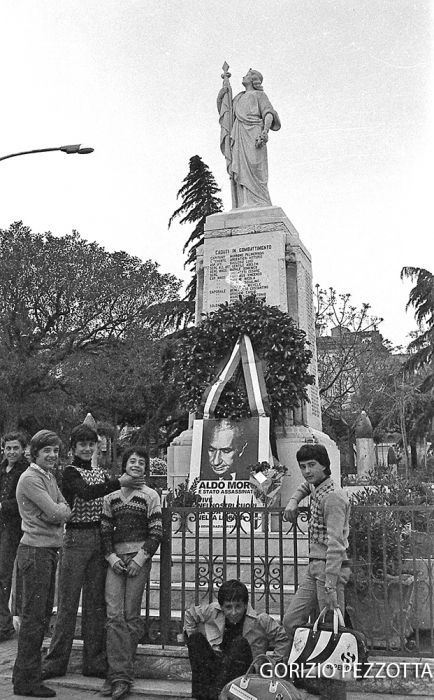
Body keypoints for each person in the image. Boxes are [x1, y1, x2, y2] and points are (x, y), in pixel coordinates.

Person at [42, 424, 145, 681]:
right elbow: (86, 495)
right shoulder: (69, 473)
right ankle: (55, 662)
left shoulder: (100, 473)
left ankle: (94, 661)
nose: (87, 449)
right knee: (67, 604)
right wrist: (118, 482)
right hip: (76, 538)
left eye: (91, 444)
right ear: (73, 448)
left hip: (98, 539)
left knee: (94, 605)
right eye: (82, 445)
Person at [99, 446, 163, 700]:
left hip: (138, 559)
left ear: (146, 468)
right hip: (116, 560)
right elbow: (104, 531)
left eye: (141, 462)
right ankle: (117, 675)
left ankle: (121, 677)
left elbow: (156, 531)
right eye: (132, 461)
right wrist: (111, 557)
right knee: (114, 614)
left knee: (130, 615)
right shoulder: (111, 496)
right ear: (124, 465)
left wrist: (141, 557)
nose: (136, 465)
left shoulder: (150, 496)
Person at [13, 430, 71, 698]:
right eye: (47, 450)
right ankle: (26, 681)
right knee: (34, 620)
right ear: (35, 452)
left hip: (47, 551)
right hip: (35, 552)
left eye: (56, 451)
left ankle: (27, 677)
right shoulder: (30, 478)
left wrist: (57, 513)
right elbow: (56, 510)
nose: (52, 455)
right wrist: (56, 513)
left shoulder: (48, 477)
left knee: (41, 617)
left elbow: (62, 508)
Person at [282, 444, 351, 645]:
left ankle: (329, 674)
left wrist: (330, 585)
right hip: (314, 567)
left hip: (330, 571)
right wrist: (294, 500)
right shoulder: (317, 485)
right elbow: (306, 486)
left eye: (312, 465)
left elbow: (336, 545)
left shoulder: (333, 497)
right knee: (291, 621)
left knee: (331, 628)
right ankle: (309, 661)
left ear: (324, 465)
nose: (307, 471)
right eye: (303, 467)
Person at [184, 579, 290, 700]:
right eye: (228, 607)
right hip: (218, 666)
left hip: (244, 671)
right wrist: (192, 633)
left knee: (239, 643)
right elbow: (190, 614)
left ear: (245, 605)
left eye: (238, 606)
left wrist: (269, 665)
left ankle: (215, 696)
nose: (234, 612)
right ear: (221, 606)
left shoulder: (260, 620)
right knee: (195, 638)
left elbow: (283, 639)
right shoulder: (213, 611)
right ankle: (202, 696)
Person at [217, 68, 280, 209]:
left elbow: (268, 113)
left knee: (256, 168)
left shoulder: (259, 95)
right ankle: (244, 203)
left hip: (254, 134)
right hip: (239, 134)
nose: (243, 77)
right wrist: (221, 98)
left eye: (246, 75)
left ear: (253, 79)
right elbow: (227, 116)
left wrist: (265, 131)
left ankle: (261, 202)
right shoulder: (238, 98)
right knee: (240, 168)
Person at [0, 432, 28, 642]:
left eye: (15, 448)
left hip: (13, 528)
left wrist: (2, 506)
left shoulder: (24, 471)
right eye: (8, 448)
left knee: (3, 575)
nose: (11, 452)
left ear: (22, 449)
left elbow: (22, 502)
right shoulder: (2, 469)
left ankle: (4, 624)